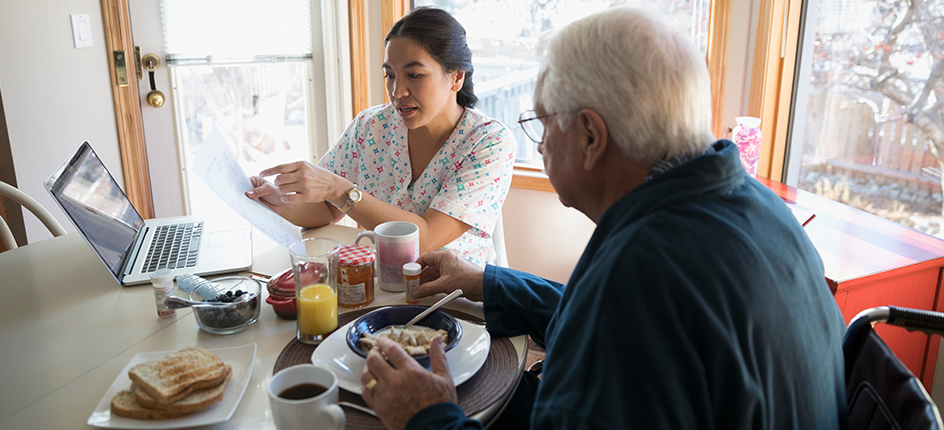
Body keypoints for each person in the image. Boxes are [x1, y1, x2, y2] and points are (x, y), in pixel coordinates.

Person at [358, 6, 847, 430]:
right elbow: (599, 316)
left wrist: (427, 418)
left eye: (543, 123)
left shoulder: (640, 274)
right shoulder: (752, 206)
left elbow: (622, 313)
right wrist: (489, 282)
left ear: (591, 136)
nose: (542, 143)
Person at [246, 7, 515, 267]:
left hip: (455, 296)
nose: (397, 91)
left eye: (414, 75)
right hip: (382, 284)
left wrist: (341, 190)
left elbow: (427, 237)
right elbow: (327, 210)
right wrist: (283, 202)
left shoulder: (489, 143)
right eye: (390, 75)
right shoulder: (370, 126)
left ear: (456, 77)